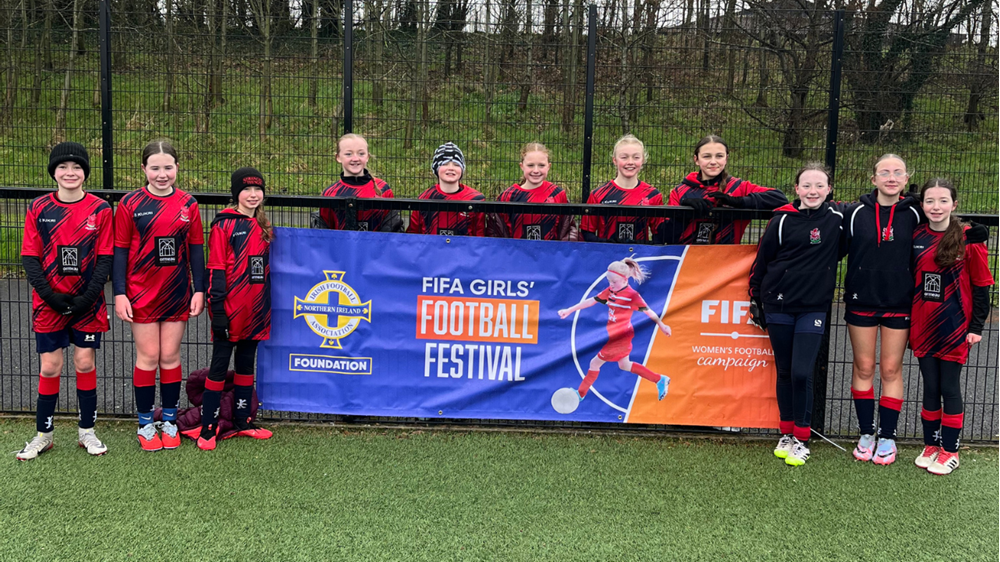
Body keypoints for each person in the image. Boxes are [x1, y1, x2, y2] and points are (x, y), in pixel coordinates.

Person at [17, 142, 112, 460]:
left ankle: (87, 432)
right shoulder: (38, 207)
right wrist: (49, 296)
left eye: (76, 167)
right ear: (53, 172)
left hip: (88, 302)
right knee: (49, 367)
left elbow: (105, 258)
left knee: (85, 363)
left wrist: (88, 297)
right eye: (63, 167)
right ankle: (43, 435)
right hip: (49, 303)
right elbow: (30, 257)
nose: (70, 172)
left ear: (85, 173)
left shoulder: (100, 209)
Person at [748, 163, 844, 466]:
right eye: (807, 185)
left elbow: (870, 215)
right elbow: (762, 261)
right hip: (777, 304)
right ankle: (787, 433)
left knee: (802, 372)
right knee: (785, 372)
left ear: (829, 189)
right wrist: (755, 297)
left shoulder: (839, 219)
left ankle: (802, 438)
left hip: (813, 307)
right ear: (797, 189)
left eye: (819, 185)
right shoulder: (781, 220)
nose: (813, 191)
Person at [114, 139, 206, 451]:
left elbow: (196, 250)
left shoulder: (188, 204)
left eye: (168, 167)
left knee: (169, 356)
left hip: (176, 291)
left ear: (177, 167)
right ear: (144, 169)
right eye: (155, 168)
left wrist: (199, 289)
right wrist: (120, 293)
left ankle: (169, 421)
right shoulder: (129, 204)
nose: (162, 174)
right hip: (140, 292)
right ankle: (145, 424)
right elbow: (119, 251)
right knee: (149, 356)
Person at [843, 154, 923, 466]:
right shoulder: (854, 212)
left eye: (898, 172)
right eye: (885, 172)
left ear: (906, 179)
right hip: (861, 299)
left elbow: (943, 229)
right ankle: (866, 433)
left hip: (899, 302)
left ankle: (887, 436)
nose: (891, 178)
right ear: (873, 178)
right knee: (864, 367)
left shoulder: (917, 212)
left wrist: (970, 235)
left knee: (891, 369)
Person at [910, 178, 993, 475]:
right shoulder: (916, 235)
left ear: (954, 204)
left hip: (955, 326)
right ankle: (931, 445)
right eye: (930, 201)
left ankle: (950, 450)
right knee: (930, 387)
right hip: (922, 324)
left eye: (943, 200)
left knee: (949, 387)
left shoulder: (969, 239)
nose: (936, 206)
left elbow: (982, 286)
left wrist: (976, 327)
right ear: (922, 205)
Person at [199, 167, 274, 451]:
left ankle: (243, 421)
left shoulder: (265, 226)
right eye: (246, 190)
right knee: (219, 366)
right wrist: (217, 310)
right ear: (236, 194)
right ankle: (208, 427)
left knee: (245, 365)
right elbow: (215, 268)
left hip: (256, 308)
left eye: (258, 189)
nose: (253, 195)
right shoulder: (223, 224)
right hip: (230, 310)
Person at [558, 258, 672, 402]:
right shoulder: (611, 291)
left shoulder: (632, 296)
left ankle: (580, 394)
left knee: (594, 363)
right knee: (625, 365)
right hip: (616, 335)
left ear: (625, 279)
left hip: (621, 337)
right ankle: (659, 379)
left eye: (614, 282)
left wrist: (662, 325)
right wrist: (569, 310)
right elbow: (591, 301)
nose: (611, 284)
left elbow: (649, 311)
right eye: (609, 281)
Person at [667, 135, 788, 244]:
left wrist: (739, 201)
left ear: (726, 158)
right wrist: (682, 212)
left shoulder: (738, 187)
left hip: (727, 258)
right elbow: (664, 236)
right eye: (706, 156)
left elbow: (780, 199)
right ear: (696, 159)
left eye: (719, 156)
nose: (713, 162)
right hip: (687, 256)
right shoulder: (680, 192)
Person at [580, 135, 664, 244]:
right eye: (624, 157)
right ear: (615, 160)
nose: (630, 162)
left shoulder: (653, 195)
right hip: (607, 254)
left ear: (643, 160)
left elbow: (659, 235)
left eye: (636, 157)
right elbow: (586, 233)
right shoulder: (598, 195)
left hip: (639, 254)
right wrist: (609, 244)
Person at [487, 142, 577, 240]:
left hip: (550, 250)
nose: (536, 170)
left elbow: (568, 230)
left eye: (541, 165)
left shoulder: (558, 194)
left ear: (549, 166)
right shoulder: (507, 197)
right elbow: (496, 232)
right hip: (516, 249)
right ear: (522, 166)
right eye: (530, 165)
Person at [318, 133, 402, 232]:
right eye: (348, 154)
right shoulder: (330, 193)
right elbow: (324, 232)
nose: (355, 159)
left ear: (367, 157)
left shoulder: (383, 188)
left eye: (361, 154)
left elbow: (393, 228)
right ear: (338, 157)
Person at [406, 142, 486, 236]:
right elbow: (413, 235)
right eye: (445, 164)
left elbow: (480, 237)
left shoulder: (475, 199)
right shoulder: (424, 198)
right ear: (436, 168)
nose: (451, 168)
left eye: (456, 164)